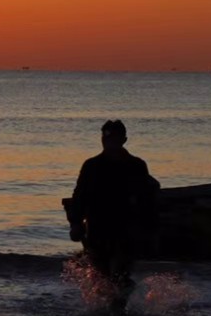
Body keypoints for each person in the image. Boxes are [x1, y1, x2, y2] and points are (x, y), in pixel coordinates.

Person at [65, 120, 159, 300]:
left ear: (124, 139)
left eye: (114, 138)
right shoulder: (92, 165)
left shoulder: (136, 165)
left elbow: (147, 201)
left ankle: (120, 312)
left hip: (126, 229)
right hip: (97, 229)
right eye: (106, 138)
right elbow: (79, 196)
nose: (109, 143)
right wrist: (75, 223)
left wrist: (151, 231)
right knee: (103, 277)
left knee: (119, 275)